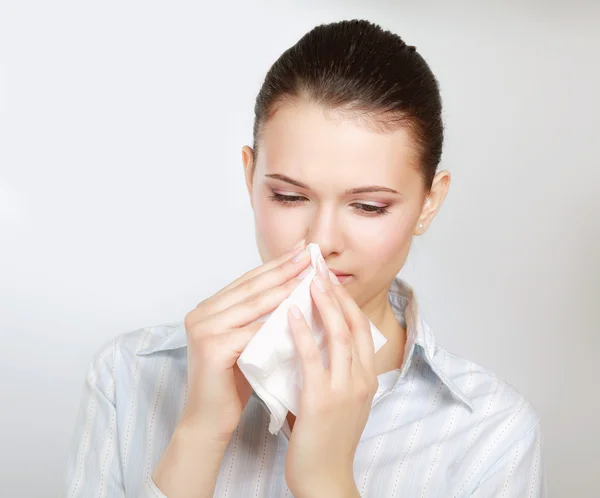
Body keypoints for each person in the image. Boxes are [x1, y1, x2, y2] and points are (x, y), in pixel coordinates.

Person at [62, 19, 546, 498]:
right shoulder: (128, 376)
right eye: (290, 197)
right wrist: (199, 435)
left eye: (368, 206)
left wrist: (326, 483)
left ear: (428, 204)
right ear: (250, 177)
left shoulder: (489, 435)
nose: (321, 239)